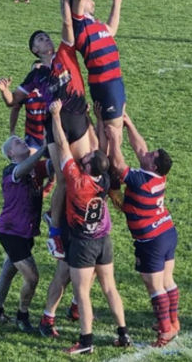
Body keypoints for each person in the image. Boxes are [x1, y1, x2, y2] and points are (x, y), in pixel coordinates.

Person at [0, 0, 93, 260]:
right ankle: (54, 228)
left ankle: (81, 218)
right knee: (64, 178)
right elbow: (13, 101)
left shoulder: (65, 51)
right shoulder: (35, 75)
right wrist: (4, 90)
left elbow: (67, 21)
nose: (45, 38)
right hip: (56, 126)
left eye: (45, 35)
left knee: (89, 167)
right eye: (39, 39)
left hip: (78, 117)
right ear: (34, 50)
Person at [50, 99, 131, 355]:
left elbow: (62, 146)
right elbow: (98, 150)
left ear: (86, 168)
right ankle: (123, 333)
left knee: (82, 292)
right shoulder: (104, 178)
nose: (83, 158)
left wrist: (55, 116)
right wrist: (92, 121)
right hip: (103, 240)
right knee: (110, 287)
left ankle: (86, 342)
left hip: (84, 243)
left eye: (84, 160)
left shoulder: (77, 180)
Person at [105, 113, 179, 348]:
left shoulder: (140, 180)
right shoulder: (158, 175)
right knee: (168, 280)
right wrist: (129, 124)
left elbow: (118, 165)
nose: (145, 154)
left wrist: (115, 139)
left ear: (153, 165)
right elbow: (140, 149)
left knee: (152, 283)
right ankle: (173, 322)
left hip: (151, 240)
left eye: (150, 156)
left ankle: (165, 331)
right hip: (167, 231)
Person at [70, 0, 127, 151]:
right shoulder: (80, 24)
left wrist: (117, 3)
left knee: (116, 132)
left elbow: (111, 29)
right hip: (104, 83)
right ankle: (107, 173)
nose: (91, 0)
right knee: (112, 132)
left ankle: (108, 168)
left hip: (115, 81)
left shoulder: (95, 24)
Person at [0, 138, 48, 332]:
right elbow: (23, 169)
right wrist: (45, 147)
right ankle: (23, 316)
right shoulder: (11, 170)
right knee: (32, 278)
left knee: (8, 271)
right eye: (15, 142)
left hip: (25, 233)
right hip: (11, 232)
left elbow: (53, 164)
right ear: (11, 154)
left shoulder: (32, 170)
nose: (21, 141)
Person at [0, 62, 47, 154]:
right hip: (33, 136)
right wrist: (12, 131)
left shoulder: (52, 90)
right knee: (28, 162)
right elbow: (14, 107)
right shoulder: (25, 92)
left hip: (51, 134)